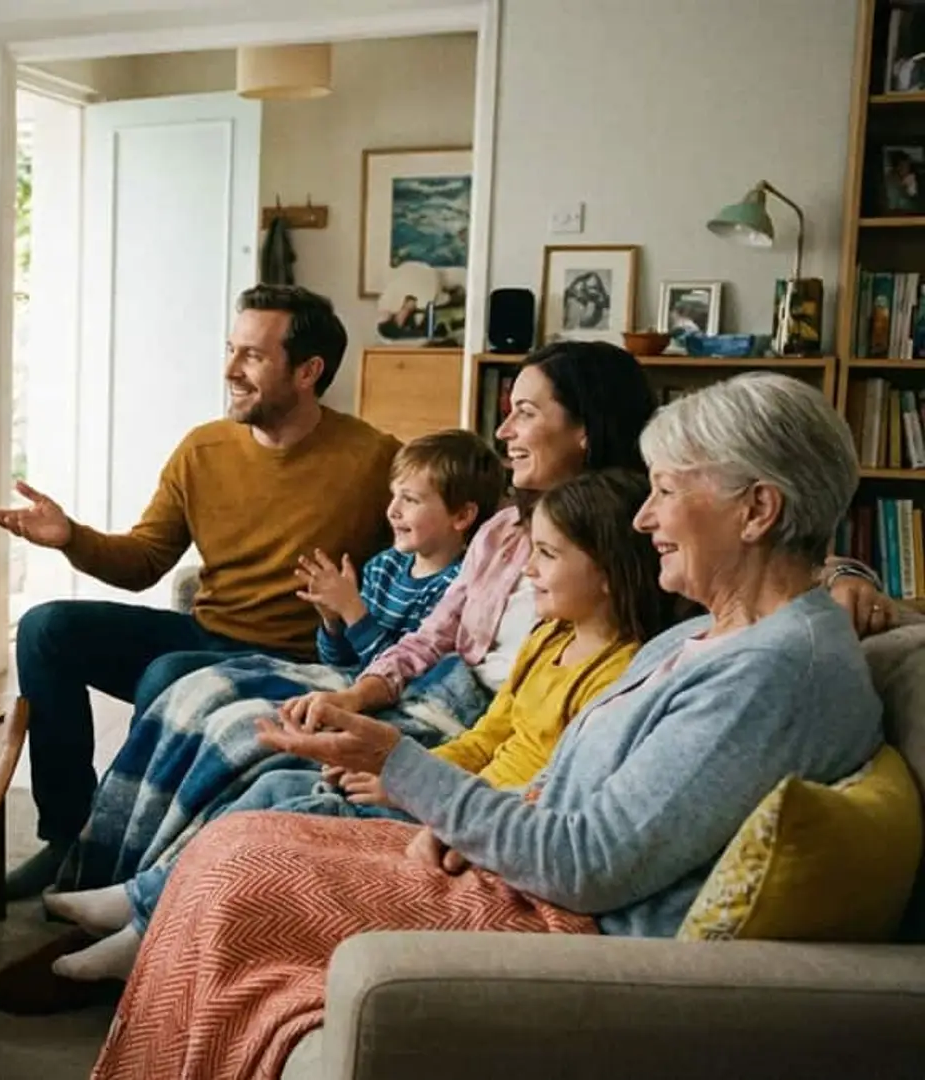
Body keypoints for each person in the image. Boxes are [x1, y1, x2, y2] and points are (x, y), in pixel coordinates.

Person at [90, 372, 888, 1078]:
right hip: (526, 871)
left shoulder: (772, 673)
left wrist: (402, 765)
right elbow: (579, 792)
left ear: (758, 510)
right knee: (236, 839)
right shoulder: (711, 633)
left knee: (238, 878)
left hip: (567, 924)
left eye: (668, 492)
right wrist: (473, 824)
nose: (646, 519)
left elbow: (590, 865)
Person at [44, 466, 674, 982]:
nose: (528, 570)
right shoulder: (547, 640)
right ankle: (143, 901)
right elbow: (486, 736)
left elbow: (545, 787)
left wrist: (410, 789)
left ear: (608, 570)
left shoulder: (617, 675)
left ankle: (143, 929)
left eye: (547, 555)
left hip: (476, 819)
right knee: (272, 786)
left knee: (302, 807)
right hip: (446, 788)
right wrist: (416, 773)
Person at [0, 283, 401, 898]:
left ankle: (125, 856)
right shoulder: (203, 450)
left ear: (308, 371)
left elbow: (432, 553)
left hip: (298, 660)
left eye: (252, 356)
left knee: (169, 675)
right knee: (47, 629)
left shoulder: (374, 460)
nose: (231, 370)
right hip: (211, 633)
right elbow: (144, 561)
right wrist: (70, 535)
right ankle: (67, 836)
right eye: (231, 350)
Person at [305, 428, 506, 676]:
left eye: (410, 499)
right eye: (394, 495)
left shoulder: (456, 588)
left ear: (462, 516)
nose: (393, 510)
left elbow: (401, 673)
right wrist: (334, 622)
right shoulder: (382, 567)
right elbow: (339, 664)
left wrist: (353, 612)